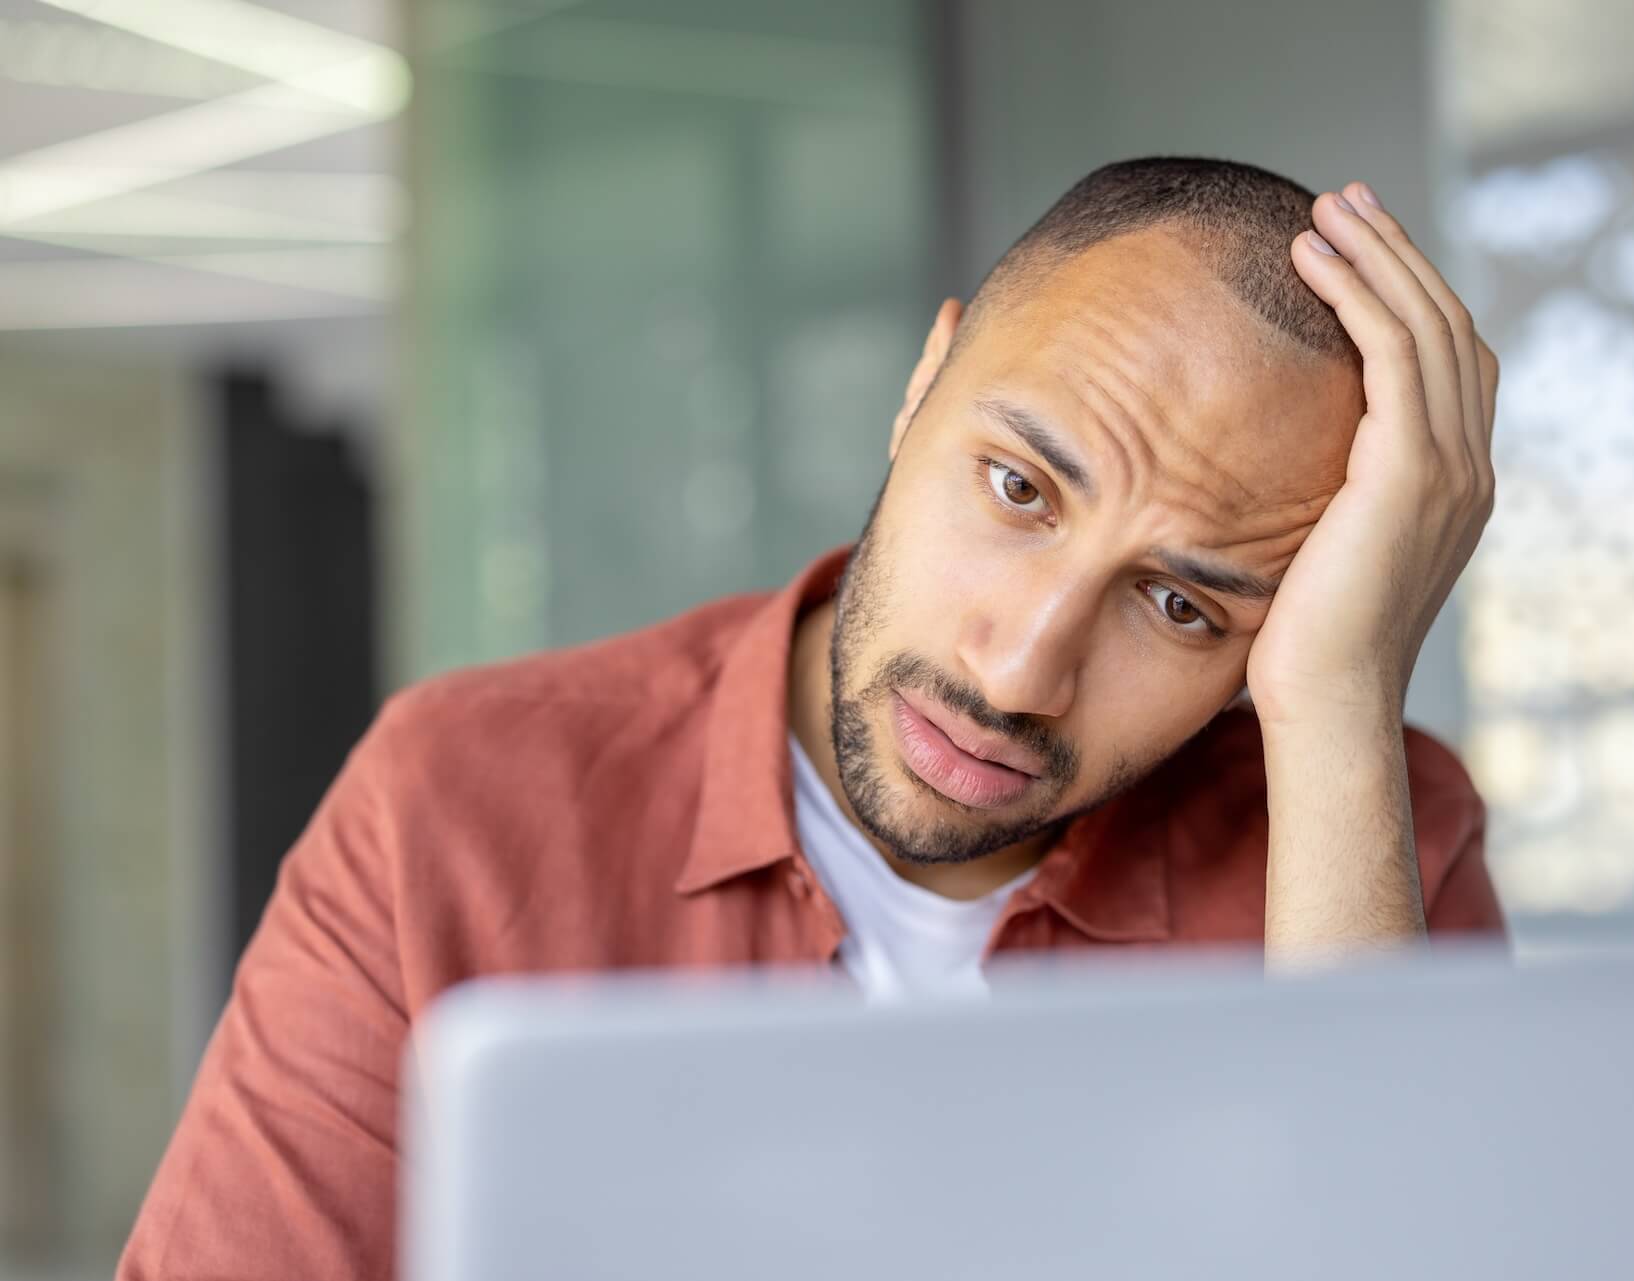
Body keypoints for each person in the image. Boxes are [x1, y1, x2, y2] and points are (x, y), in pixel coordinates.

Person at [119, 157, 1503, 1279]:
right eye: (1019, 488)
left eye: (1184, 608)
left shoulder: (1371, 827)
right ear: (920, 386)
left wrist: (1334, 707)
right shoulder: (459, 799)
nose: (1022, 670)